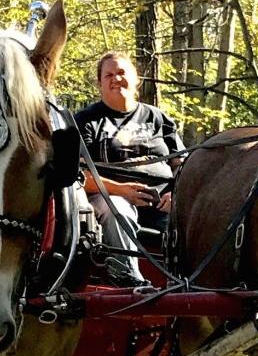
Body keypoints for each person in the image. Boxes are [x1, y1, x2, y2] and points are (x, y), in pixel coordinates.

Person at [73, 52, 184, 283]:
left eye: (122, 73)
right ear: (100, 84)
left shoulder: (157, 118)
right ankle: (129, 279)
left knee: (198, 213)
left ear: (136, 80)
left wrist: (177, 194)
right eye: (109, 75)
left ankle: (193, 284)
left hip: (162, 202)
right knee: (117, 209)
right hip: (109, 196)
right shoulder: (86, 121)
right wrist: (121, 189)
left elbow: (182, 166)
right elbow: (78, 176)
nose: (116, 79)